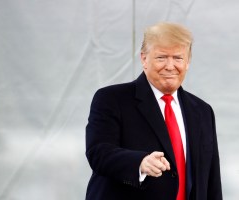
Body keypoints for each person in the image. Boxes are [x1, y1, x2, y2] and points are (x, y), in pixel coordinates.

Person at [85, 22, 223, 200]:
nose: (170, 66)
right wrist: (139, 163)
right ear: (144, 59)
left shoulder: (203, 111)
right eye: (161, 57)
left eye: (178, 58)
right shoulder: (111, 99)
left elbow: (212, 180)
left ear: (188, 62)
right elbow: (98, 152)